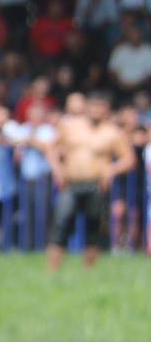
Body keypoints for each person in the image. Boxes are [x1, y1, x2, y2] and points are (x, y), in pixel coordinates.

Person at [44, 92, 137, 270]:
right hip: (70, 183)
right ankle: (51, 271)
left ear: (106, 110)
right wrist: (57, 169)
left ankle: (89, 272)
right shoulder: (70, 126)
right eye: (93, 106)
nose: (96, 111)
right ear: (87, 107)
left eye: (100, 107)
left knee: (93, 228)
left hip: (96, 184)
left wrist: (111, 169)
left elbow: (129, 159)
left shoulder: (112, 133)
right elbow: (50, 148)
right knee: (60, 223)